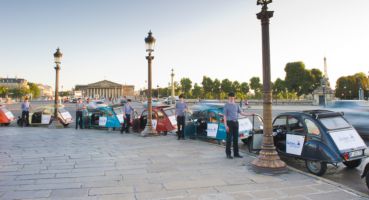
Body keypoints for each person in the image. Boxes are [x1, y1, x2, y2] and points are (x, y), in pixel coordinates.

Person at [223, 92, 249, 159]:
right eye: (230, 97)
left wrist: (250, 114)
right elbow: (225, 116)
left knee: (235, 139)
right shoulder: (226, 105)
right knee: (229, 139)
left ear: (234, 97)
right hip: (229, 123)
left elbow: (242, 113)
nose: (231, 98)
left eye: (232, 97)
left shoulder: (237, 105)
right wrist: (226, 125)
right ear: (228, 97)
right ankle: (228, 154)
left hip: (236, 123)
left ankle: (236, 153)